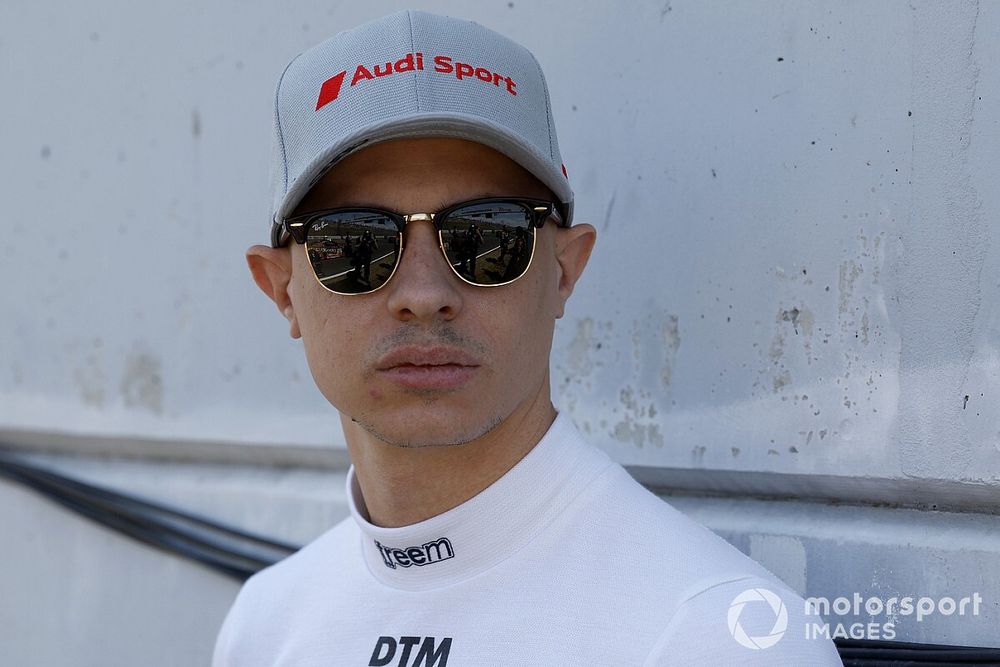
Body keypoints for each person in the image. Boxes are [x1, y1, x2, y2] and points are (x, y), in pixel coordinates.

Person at [213, 10, 842, 666]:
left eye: (488, 236)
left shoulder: (710, 636)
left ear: (565, 271)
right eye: (356, 244)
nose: (424, 293)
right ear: (281, 288)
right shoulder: (266, 623)